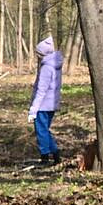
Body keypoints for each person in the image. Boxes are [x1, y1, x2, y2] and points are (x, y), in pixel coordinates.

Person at [28, 37, 64, 166]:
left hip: (43, 105)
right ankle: (55, 155)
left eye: (38, 54)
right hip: (52, 103)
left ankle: (45, 156)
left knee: (41, 131)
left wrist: (33, 109)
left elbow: (41, 90)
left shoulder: (46, 68)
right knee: (45, 130)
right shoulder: (56, 65)